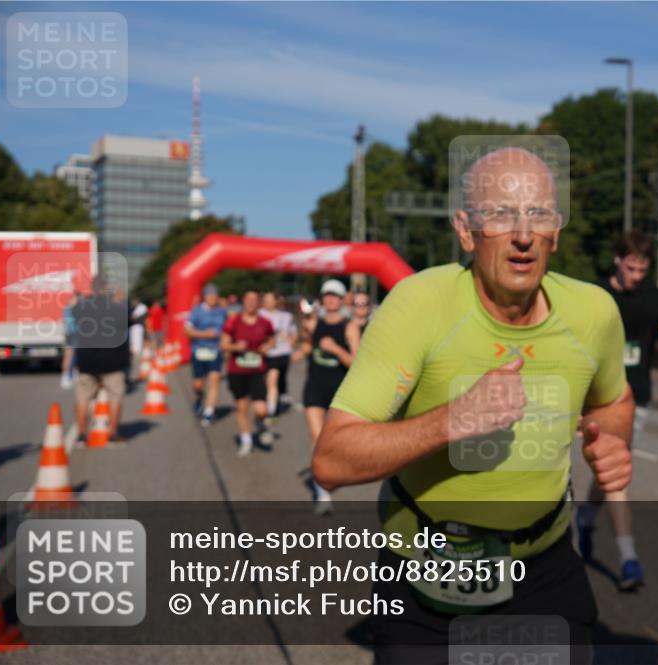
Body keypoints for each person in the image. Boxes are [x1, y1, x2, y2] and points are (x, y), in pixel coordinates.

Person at [313, 146, 634, 663]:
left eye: (538, 214)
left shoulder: (594, 312)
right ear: (466, 231)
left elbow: (615, 398)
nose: (523, 234)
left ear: (556, 230)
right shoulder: (420, 305)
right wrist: (453, 420)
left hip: (543, 568)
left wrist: (612, 439)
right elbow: (331, 460)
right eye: (501, 215)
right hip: (426, 570)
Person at [577, 230, 658, 589]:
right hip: (590, 397)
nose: (636, 275)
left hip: (635, 396)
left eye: (642, 270)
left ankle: (586, 519)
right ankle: (628, 558)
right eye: (631, 267)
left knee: (609, 469)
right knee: (614, 472)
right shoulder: (593, 296)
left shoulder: (657, 301)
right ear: (617, 261)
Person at [301, 279, 359, 515]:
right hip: (314, 386)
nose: (331, 299)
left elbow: (356, 363)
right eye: (327, 295)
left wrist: (335, 349)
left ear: (342, 298)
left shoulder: (350, 326)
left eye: (335, 296)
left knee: (335, 441)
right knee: (317, 439)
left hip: (339, 390)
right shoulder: (315, 323)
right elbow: (306, 348)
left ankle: (334, 473)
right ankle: (322, 493)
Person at [73, 285, 131, 445]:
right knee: (115, 397)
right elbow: (127, 323)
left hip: (87, 360)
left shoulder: (83, 308)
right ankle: (113, 432)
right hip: (112, 361)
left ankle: (81, 434)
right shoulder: (117, 309)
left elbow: (74, 312)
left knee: (83, 398)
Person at [221, 291, 275, 456]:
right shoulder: (233, 321)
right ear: (243, 302)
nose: (251, 303)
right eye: (248, 299)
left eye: (255, 300)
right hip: (237, 371)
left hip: (257, 370)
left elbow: (272, 339)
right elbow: (223, 344)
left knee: (261, 409)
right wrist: (235, 347)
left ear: (259, 303)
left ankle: (260, 423)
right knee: (242, 408)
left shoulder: (265, 322)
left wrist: (268, 347)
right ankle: (246, 441)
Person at [186, 284, 228, 427]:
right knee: (198, 384)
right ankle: (199, 397)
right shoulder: (196, 312)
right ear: (205, 297)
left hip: (215, 351)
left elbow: (227, 330)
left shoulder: (222, 312)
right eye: (210, 296)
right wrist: (205, 334)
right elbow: (188, 331)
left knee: (214, 380)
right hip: (199, 350)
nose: (213, 299)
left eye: (215, 296)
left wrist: (226, 344)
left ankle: (209, 412)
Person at [259, 291, 297, 420]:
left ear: (276, 301)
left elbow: (293, 332)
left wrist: (291, 341)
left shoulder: (286, 316)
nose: (267, 301)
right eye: (265, 299)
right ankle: (271, 408)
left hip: (283, 352)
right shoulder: (260, 314)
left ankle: (272, 407)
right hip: (266, 353)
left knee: (276, 380)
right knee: (270, 380)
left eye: (270, 299)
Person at [60, 291, 80, 389]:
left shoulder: (68, 308)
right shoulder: (72, 308)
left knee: (74, 354)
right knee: (70, 355)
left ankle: (72, 374)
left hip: (72, 333)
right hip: (73, 333)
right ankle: (66, 376)